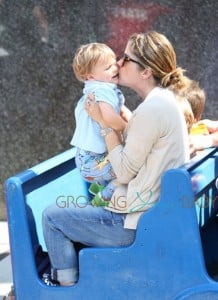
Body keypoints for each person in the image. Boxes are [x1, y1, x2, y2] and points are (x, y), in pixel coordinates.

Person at [42, 31, 190, 286]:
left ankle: (63, 287)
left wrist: (104, 125)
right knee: (88, 203)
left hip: (134, 224)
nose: (119, 64)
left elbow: (122, 172)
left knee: (52, 217)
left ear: (145, 72)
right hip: (152, 215)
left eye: (126, 59)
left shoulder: (153, 108)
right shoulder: (163, 102)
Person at [70, 42, 132, 206]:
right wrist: (129, 130)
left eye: (113, 63)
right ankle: (101, 201)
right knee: (131, 169)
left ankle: (101, 192)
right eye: (107, 68)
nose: (114, 69)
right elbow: (111, 118)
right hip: (94, 161)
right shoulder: (102, 90)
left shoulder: (97, 89)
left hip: (90, 159)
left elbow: (123, 112)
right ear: (90, 76)